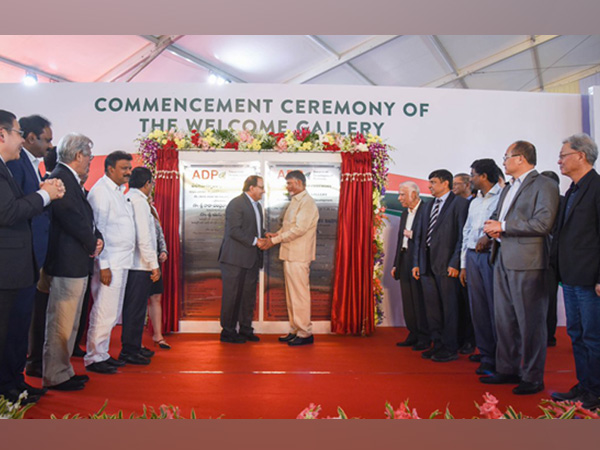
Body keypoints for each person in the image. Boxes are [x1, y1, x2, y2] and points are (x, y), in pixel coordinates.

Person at [481, 140, 559, 395]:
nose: (503, 162)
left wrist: (502, 227)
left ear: (521, 158)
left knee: (530, 322)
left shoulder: (544, 185)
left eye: (506, 156)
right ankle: (507, 368)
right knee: (504, 319)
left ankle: (533, 376)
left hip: (528, 261)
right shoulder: (508, 187)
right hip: (502, 256)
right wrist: (494, 229)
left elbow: (543, 224)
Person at [0, 110, 63, 404]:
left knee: (18, 327)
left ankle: (16, 381)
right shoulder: (9, 166)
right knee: (10, 329)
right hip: (10, 264)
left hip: (24, 260)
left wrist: (42, 192)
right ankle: (8, 387)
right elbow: (11, 211)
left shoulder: (18, 163)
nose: (20, 139)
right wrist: (44, 195)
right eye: (17, 133)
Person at [43, 132, 103, 391]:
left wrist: (96, 237)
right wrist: (92, 243)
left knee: (71, 322)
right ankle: (56, 375)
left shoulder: (72, 178)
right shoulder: (60, 177)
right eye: (89, 155)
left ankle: (64, 370)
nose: (90, 160)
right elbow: (71, 217)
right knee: (61, 322)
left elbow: (86, 217)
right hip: (67, 261)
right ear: (78, 155)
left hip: (77, 260)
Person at [550, 133, 600, 410]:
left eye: (563, 155)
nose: (559, 160)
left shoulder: (597, 187)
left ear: (580, 156)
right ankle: (585, 386)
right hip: (570, 276)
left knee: (594, 337)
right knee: (577, 334)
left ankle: (596, 391)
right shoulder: (574, 189)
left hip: (590, 279)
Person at [84, 151, 135, 374]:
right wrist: (103, 265)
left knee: (112, 311)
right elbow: (99, 231)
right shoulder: (101, 192)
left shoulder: (117, 191)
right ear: (110, 169)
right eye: (124, 168)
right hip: (110, 263)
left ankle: (102, 353)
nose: (128, 172)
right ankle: (94, 357)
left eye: (129, 168)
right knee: (104, 310)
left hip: (120, 261)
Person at [412, 169, 469, 362]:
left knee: (449, 308)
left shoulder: (460, 204)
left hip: (447, 266)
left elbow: (462, 236)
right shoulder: (427, 206)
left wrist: (455, 262)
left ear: (446, 183)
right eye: (429, 182)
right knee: (432, 309)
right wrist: (417, 263)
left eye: (434, 182)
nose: (430, 186)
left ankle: (450, 347)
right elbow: (420, 237)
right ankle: (436, 343)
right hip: (427, 265)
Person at [265, 170, 319, 346]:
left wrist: (275, 240)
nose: (287, 187)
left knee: (300, 295)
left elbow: (300, 229)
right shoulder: (296, 201)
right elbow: (289, 226)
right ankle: (295, 328)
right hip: (290, 254)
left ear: (298, 183)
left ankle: (305, 332)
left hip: (299, 255)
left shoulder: (307, 203)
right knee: (292, 295)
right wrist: (277, 234)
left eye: (289, 183)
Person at [459, 159, 502, 376]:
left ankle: (500, 357)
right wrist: (464, 265)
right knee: (479, 310)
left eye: (473, 174)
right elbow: (466, 232)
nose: (471, 179)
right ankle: (486, 354)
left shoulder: (502, 198)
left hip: (491, 258)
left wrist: (490, 239)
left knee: (496, 309)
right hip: (473, 258)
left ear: (484, 176)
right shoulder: (475, 202)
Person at [119, 167, 160, 364]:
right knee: (135, 309)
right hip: (139, 265)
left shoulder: (130, 198)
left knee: (135, 308)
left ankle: (134, 346)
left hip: (134, 263)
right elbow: (144, 237)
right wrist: (154, 264)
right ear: (147, 184)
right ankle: (129, 350)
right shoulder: (140, 203)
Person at [218, 175, 265, 344]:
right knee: (232, 296)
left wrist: (265, 236)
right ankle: (228, 332)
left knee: (248, 297)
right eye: (261, 187)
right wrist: (256, 241)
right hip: (234, 259)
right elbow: (234, 231)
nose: (263, 190)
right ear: (251, 188)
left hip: (251, 260)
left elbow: (255, 229)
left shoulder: (257, 206)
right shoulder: (236, 203)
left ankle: (245, 329)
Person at [391, 181, 429, 350]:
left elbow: (429, 236)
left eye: (402, 194)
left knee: (419, 300)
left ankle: (424, 336)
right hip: (404, 259)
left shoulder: (426, 210)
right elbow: (400, 240)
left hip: (419, 260)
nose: (399, 198)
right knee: (408, 300)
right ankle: (413, 332)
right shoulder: (405, 213)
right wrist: (395, 264)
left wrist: (413, 234)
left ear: (414, 194)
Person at [540, 170, 561, 347]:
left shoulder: (562, 201)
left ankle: (548, 334)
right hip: (535, 256)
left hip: (552, 258)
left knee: (549, 298)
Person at [148, 203, 170, 349]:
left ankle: (158, 335)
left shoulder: (152, 209)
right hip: (139, 262)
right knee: (137, 301)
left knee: (156, 297)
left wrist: (163, 250)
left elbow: (159, 232)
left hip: (154, 261)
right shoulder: (131, 203)